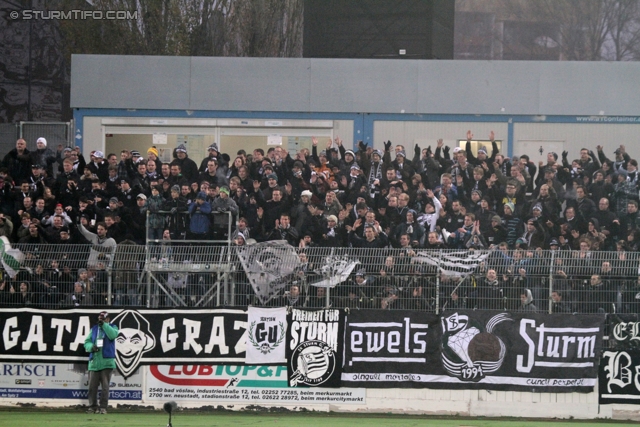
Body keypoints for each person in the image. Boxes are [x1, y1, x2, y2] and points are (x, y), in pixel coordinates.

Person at [83, 310, 118, 415]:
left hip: (107, 362)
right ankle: (92, 407)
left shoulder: (113, 327)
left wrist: (104, 325)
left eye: (103, 319)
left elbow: (113, 335)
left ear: (108, 319)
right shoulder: (94, 329)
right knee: (92, 387)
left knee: (105, 387)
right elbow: (86, 342)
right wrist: (91, 347)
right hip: (94, 362)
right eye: (100, 319)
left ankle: (103, 407)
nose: (101, 321)